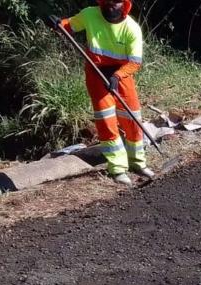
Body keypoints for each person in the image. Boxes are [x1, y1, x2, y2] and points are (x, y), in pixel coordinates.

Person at [47, 0, 152, 185]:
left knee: (132, 119)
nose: (112, 6)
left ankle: (138, 163)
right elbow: (69, 26)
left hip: (121, 75)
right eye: (108, 1)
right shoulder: (89, 15)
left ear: (125, 5)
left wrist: (117, 76)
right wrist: (58, 24)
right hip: (96, 74)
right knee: (107, 121)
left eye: (117, 2)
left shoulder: (132, 29)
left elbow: (135, 62)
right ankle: (118, 169)